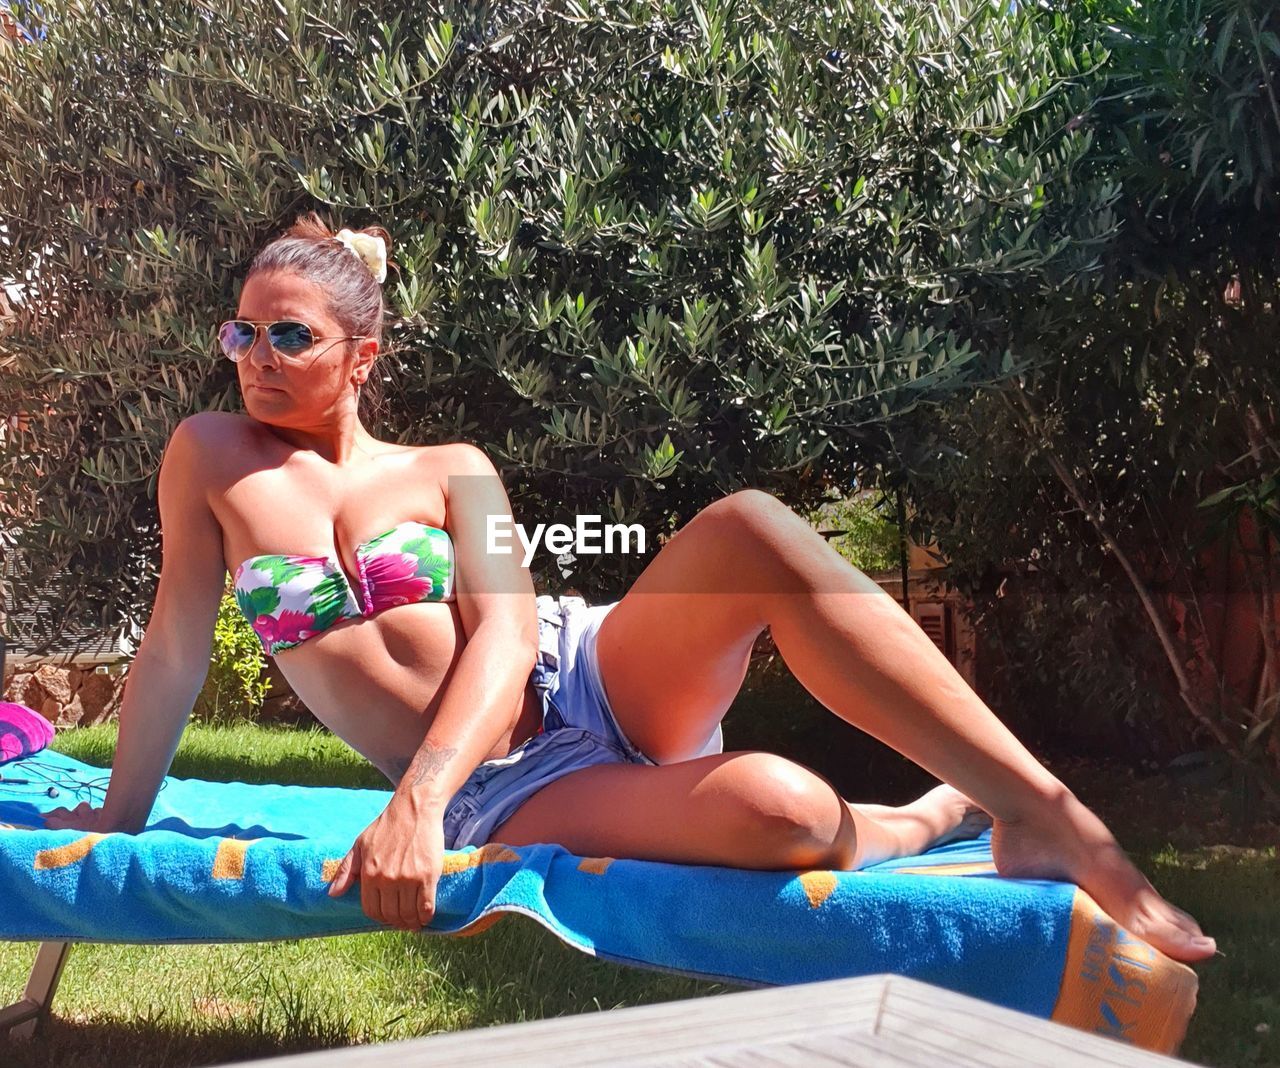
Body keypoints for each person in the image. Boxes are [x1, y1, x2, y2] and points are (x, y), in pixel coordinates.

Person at [45, 213, 1215, 964]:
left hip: (584, 671)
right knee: (790, 814)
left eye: (286, 336)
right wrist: (119, 814)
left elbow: (506, 634)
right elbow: (172, 651)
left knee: (749, 527)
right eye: (239, 331)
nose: (251, 356)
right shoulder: (209, 456)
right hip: (504, 786)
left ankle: (1047, 813)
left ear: (362, 358)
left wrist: (412, 802)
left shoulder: (451, 471)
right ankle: (917, 817)